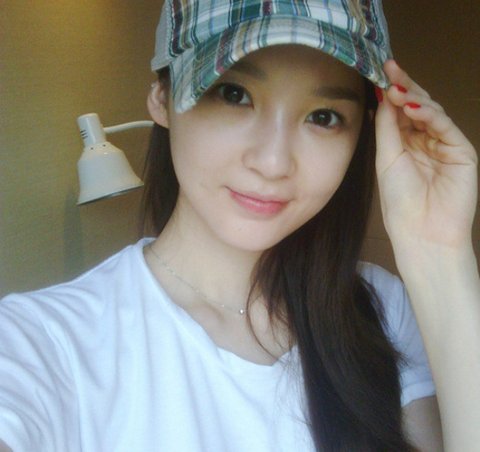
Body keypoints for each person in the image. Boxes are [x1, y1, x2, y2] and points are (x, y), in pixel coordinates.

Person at [0, 0, 479, 450]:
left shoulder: (382, 308)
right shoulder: (44, 343)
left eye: (324, 117)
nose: (273, 163)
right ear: (162, 97)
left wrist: (438, 250)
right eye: (234, 94)